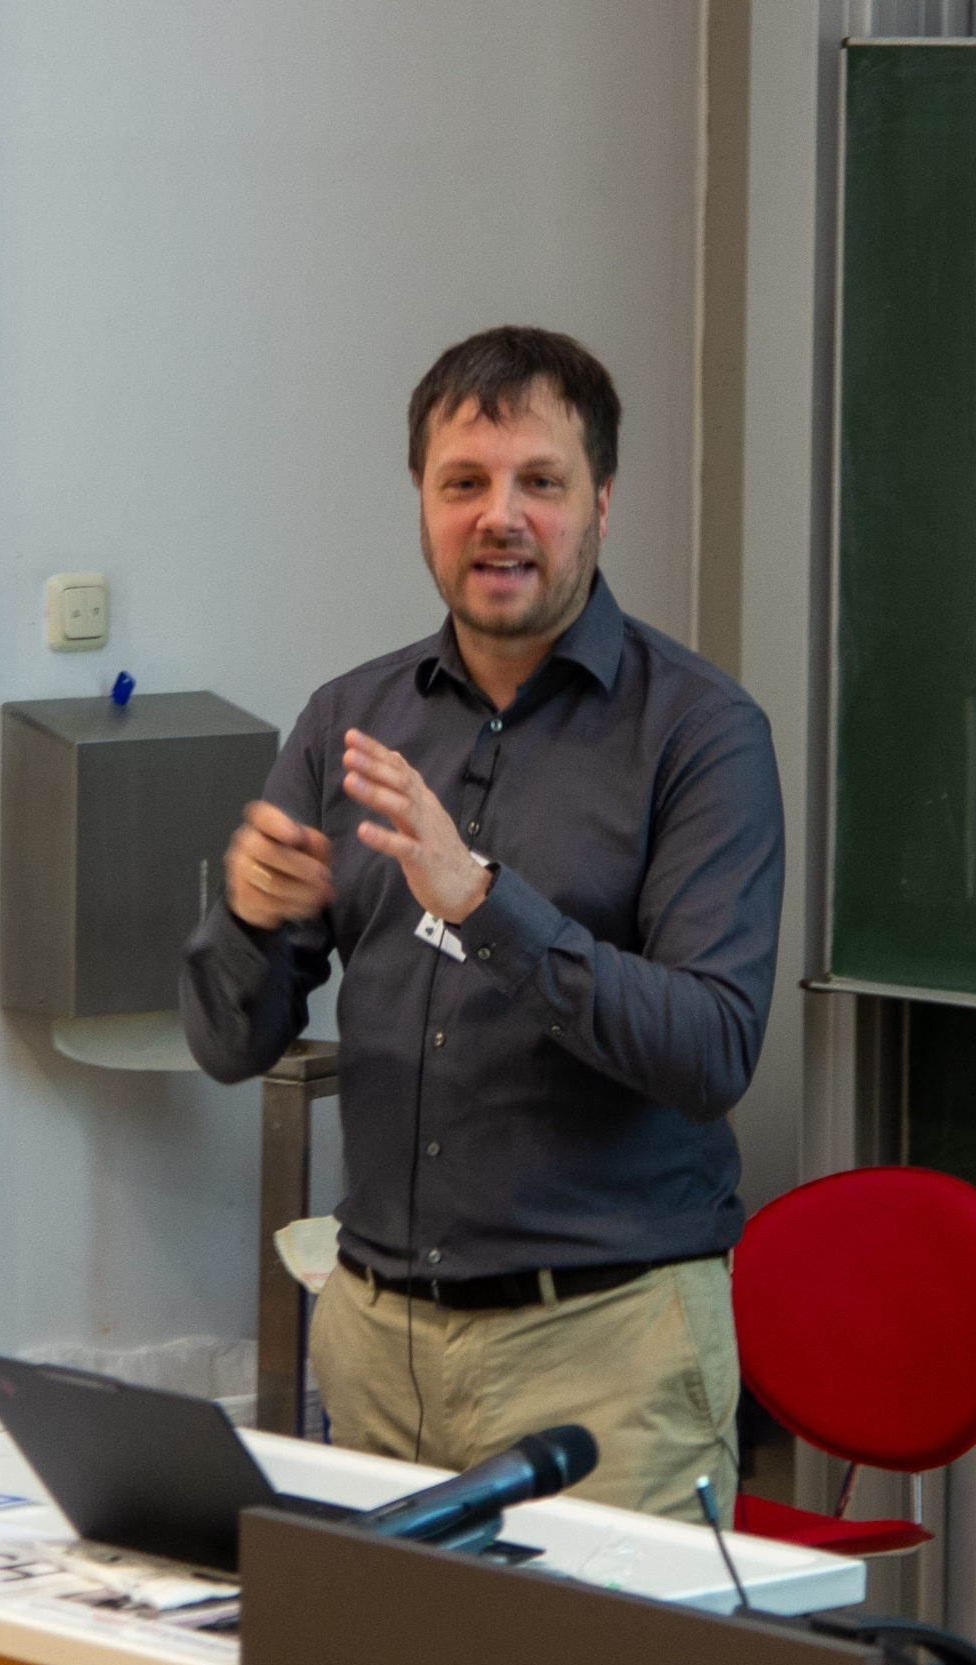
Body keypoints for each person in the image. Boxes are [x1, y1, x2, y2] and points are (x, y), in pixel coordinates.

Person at [179, 325, 784, 1520]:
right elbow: (229, 1045)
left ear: (600, 504)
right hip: (375, 1344)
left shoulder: (700, 736)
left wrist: (486, 903)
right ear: (422, 501)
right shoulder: (347, 718)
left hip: (605, 1352)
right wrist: (247, 924)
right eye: (464, 484)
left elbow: (712, 1049)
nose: (499, 516)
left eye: (539, 484)